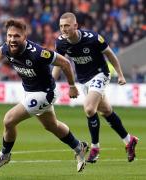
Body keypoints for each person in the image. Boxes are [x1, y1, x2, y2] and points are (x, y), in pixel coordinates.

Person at [0, 18, 89, 172]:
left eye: (16, 36)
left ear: (24, 36)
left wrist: (72, 86)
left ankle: (4, 155)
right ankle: (78, 147)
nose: (12, 39)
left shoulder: (38, 53)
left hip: (44, 94)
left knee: (9, 120)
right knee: (52, 126)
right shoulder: (7, 47)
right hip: (30, 92)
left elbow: (65, 63)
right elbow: (0, 51)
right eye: (9, 36)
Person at [52, 12, 138, 163]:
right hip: (84, 80)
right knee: (106, 111)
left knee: (90, 109)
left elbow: (110, 55)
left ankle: (95, 148)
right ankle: (129, 140)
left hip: (100, 74)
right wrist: (50, 83)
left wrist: (120, 74)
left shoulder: (92, 38)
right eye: (61, 26)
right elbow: (59, 63)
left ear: (75, 26)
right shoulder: (60, 43)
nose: (63, 29)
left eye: (66, 26)